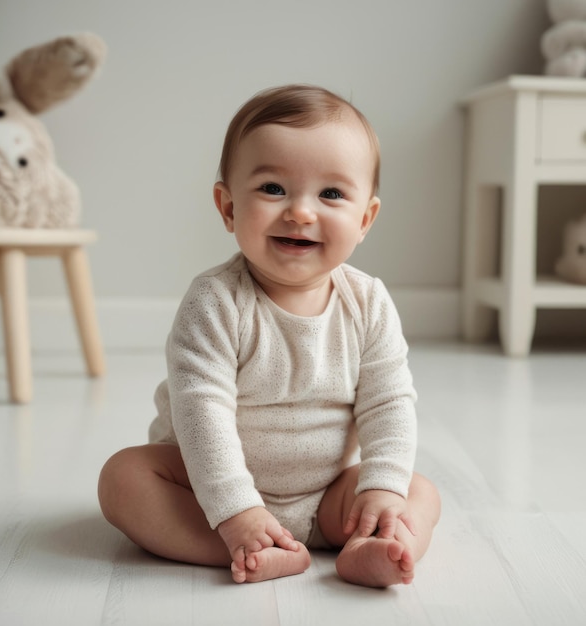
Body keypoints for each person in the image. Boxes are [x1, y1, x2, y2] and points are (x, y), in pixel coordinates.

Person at [98, 84, 441, 588]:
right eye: (273, 189)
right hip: (207, 494)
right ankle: (248, 545)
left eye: (331, 194)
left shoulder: (367, 303)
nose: (301, 212)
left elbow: (389, 402)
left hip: (328, 496)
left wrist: (381, 492)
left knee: (418, 491)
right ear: (228, 206)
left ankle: (373, 545)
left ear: (364, 218)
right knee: (122, 479)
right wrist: (237, 510)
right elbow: (202, 413)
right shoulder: (215, 301)